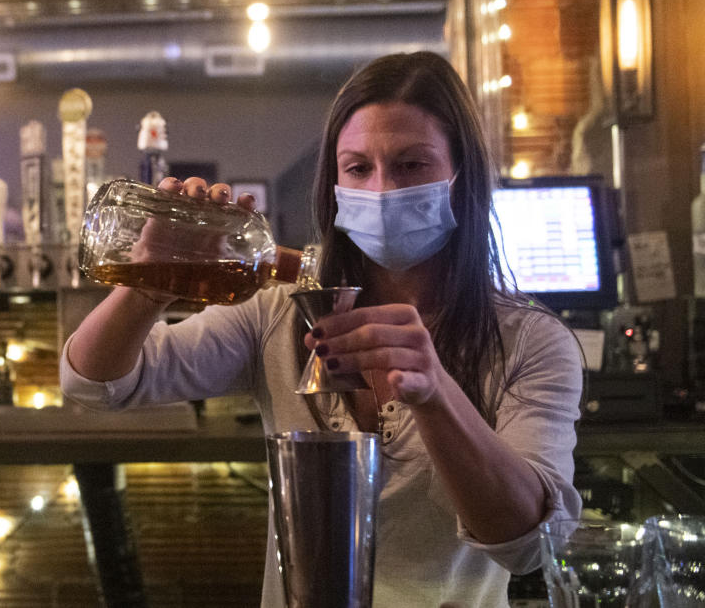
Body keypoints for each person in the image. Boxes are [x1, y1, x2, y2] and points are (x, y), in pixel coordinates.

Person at [61, 51, 583, 607]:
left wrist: (435, 394)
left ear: (462, 177)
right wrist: (147, 287)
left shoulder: (530, 340)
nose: (382, 189)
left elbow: (529, 545)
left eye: (411, 165)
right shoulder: (280, 308)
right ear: (333, 184)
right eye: (358, 168)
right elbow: (93, 384)